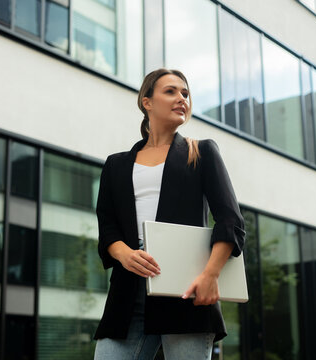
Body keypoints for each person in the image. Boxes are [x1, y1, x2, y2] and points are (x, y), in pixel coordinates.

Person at [92, 68, 246, 360]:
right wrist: (125, 254)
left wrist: (210, 275)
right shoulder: (116, 165)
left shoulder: (201, 152)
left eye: (185, 93)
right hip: (127, 293)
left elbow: (230, 221)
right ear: (147, 102)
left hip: (186, 291)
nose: (181, 99)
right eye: (171, 91)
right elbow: (107, 226)